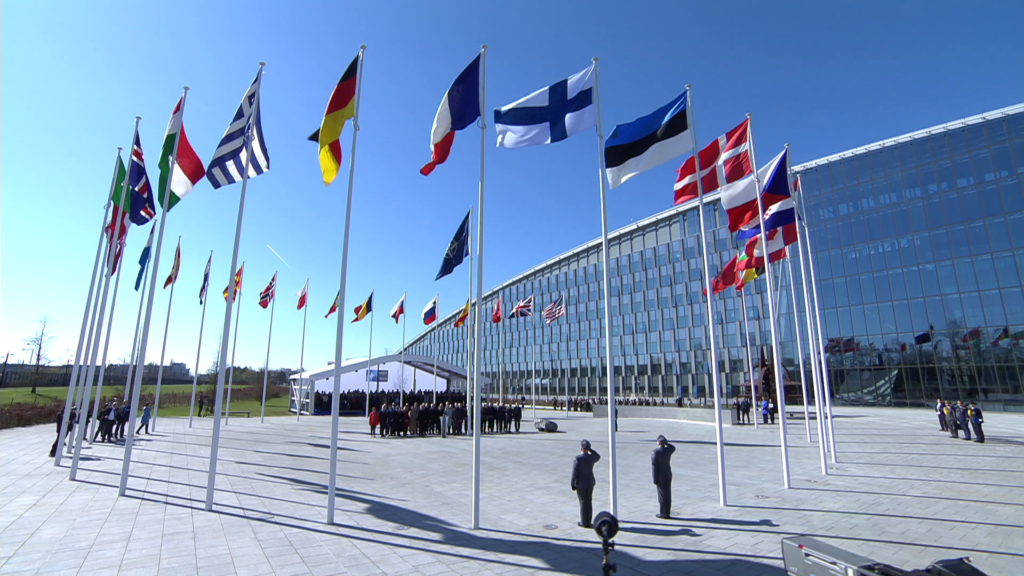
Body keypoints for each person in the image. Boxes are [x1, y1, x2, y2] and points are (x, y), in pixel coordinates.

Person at [570, 439, 601, 528]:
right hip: (590, 482)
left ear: (581, 448)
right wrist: (590, 450)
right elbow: (598, 456)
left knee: (583, 503)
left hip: (581, 484)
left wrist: (573, 484)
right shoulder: (591, 458)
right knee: (589, 501)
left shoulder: (578, 459)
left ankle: (584, 522)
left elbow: (574, 473)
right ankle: (588, 521)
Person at [651, 435, 676, 519]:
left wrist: (654, 479)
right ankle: (668, 512)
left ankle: (663, 513)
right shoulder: (668, 450)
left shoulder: (655, 452)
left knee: (662, 495)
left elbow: (654, 466)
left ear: (658, 443)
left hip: (660, 476)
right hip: (668, 474)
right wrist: (666, 443)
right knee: (668, 494)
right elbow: (673, 447)